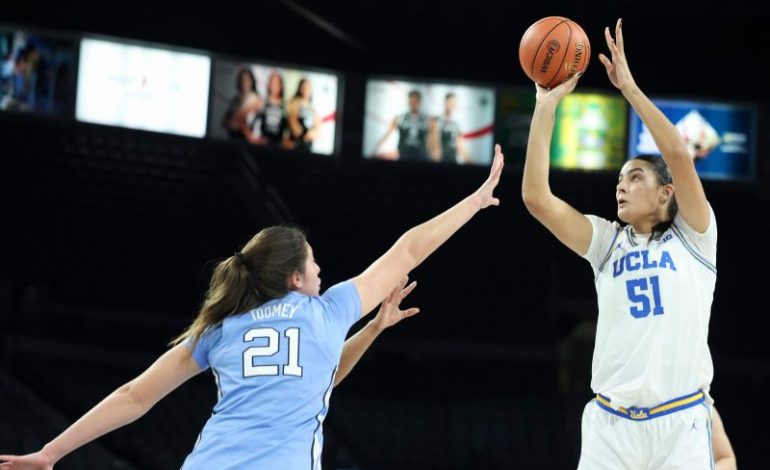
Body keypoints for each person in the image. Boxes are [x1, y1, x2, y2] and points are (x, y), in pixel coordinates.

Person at [0, 145, 505, 470]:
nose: (322, 273)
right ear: (294, 279)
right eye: (315, 266)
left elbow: (135, 397)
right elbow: (409, 250)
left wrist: (51, 453)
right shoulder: (327, 311)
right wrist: (474, 201)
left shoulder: (223, 326)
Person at [521, 19, 718, 468]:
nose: (621, 187)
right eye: (618, 180)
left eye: (635, 177)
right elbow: (535, 197)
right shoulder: (607, 243)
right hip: (610, 426)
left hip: (680, 422)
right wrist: (546, 105)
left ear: (666, 193)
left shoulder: (696, 239)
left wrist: (628, 88)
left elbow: (680, 157)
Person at [374, 90, 431, 161]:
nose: (414, 103)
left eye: (416, 101)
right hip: (403, 156)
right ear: (408, 102)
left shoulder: (427, 120)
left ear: (419, 102)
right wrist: (377, 147)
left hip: (421, 156)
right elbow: (387, 134)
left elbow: (433, 140)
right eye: (412, 101)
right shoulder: (399, 118)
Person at [222, 67, 263, 144]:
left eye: (247, 80)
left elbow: (239, 119)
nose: (245, 83)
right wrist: (230, 123)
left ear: (252, 81)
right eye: (242, 80)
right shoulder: (235, 99)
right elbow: (225, 121)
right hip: (233, 139)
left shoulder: (257, 99)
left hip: (249, 141)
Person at [430, 92, 470, 164]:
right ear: (445, 103)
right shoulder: (436, 120)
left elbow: (460, 147)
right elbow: (434, 143)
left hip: (452, 161)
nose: (451, 105)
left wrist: (470, 162)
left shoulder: (456, 125)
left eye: (453, 103)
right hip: (440, 160)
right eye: (449, 103)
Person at [287, 78, 320, 152]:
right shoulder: (294, 103)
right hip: (295, 144)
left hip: (308, 146)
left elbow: (318, 131)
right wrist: (305, 134)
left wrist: (311, 133)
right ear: (300, 89)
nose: (306, 90)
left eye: (308, 88)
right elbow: (295, 130)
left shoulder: (313, 109)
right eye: (303, 87)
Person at [257, 71, 289, 148]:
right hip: (263, 143)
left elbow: (288, 127)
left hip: (279, 144)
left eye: (278, 83)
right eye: (273, 83)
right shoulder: (262, 101)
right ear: (269, 85)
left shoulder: (286, 104)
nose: (275, 86)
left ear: (281, 86)